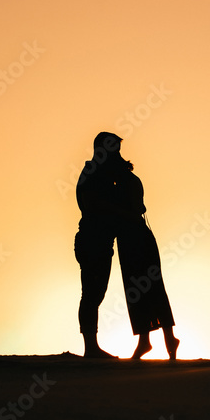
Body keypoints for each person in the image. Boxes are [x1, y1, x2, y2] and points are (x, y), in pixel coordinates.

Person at [114, 160, 179, 361]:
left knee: (147, 287)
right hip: (132, 237)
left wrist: (111, 209)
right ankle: (150, 339)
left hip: (135, 238)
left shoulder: (126, 183)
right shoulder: (127, 181)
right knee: (141, 288)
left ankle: (161, 339)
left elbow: (134, 209)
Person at [73, 132, 127, 358]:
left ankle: (91, 347)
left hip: (101, 240)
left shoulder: (103, 173)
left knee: (95, 293)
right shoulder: (93, 173)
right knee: (91, 294)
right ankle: (90, 348)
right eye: (114, 149)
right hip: (92, 239)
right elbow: (92, 204)